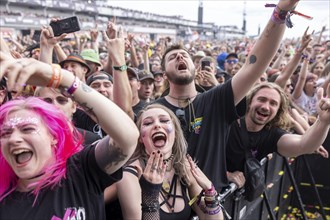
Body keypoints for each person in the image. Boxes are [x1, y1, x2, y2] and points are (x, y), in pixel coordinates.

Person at [154, 0, 302, 191]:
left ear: (194, 66)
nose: (180, 57)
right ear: (164, 74)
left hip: (210, 206)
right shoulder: (155, 111)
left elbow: (254, 64)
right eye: (172, 58)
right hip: (170, 206)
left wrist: (282, 12)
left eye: (184, 55)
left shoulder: (216, 101)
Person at [0, 50, 139, 219]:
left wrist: (64, 79)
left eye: (27, 129)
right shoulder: (4, 199)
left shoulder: (80, 171)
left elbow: (127, 137)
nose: (14, 139)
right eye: (6, 133)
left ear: (53, 136)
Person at [116, 104, 224, 220]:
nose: (157, 125)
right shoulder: (130, 176)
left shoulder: (184, 167)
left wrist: (210, 191)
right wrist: (150, 194)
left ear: (175, 132)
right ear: (141, 138)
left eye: (164, 120)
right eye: (148, 123)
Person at [226, 82, 330, 188]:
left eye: (273, 103)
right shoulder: (226, 124)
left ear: (278, 111)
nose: (266, 107)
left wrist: (323, 122)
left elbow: (304, 145)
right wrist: (226, 175)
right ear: (249, 102)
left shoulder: (272, 134)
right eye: (261, 99)